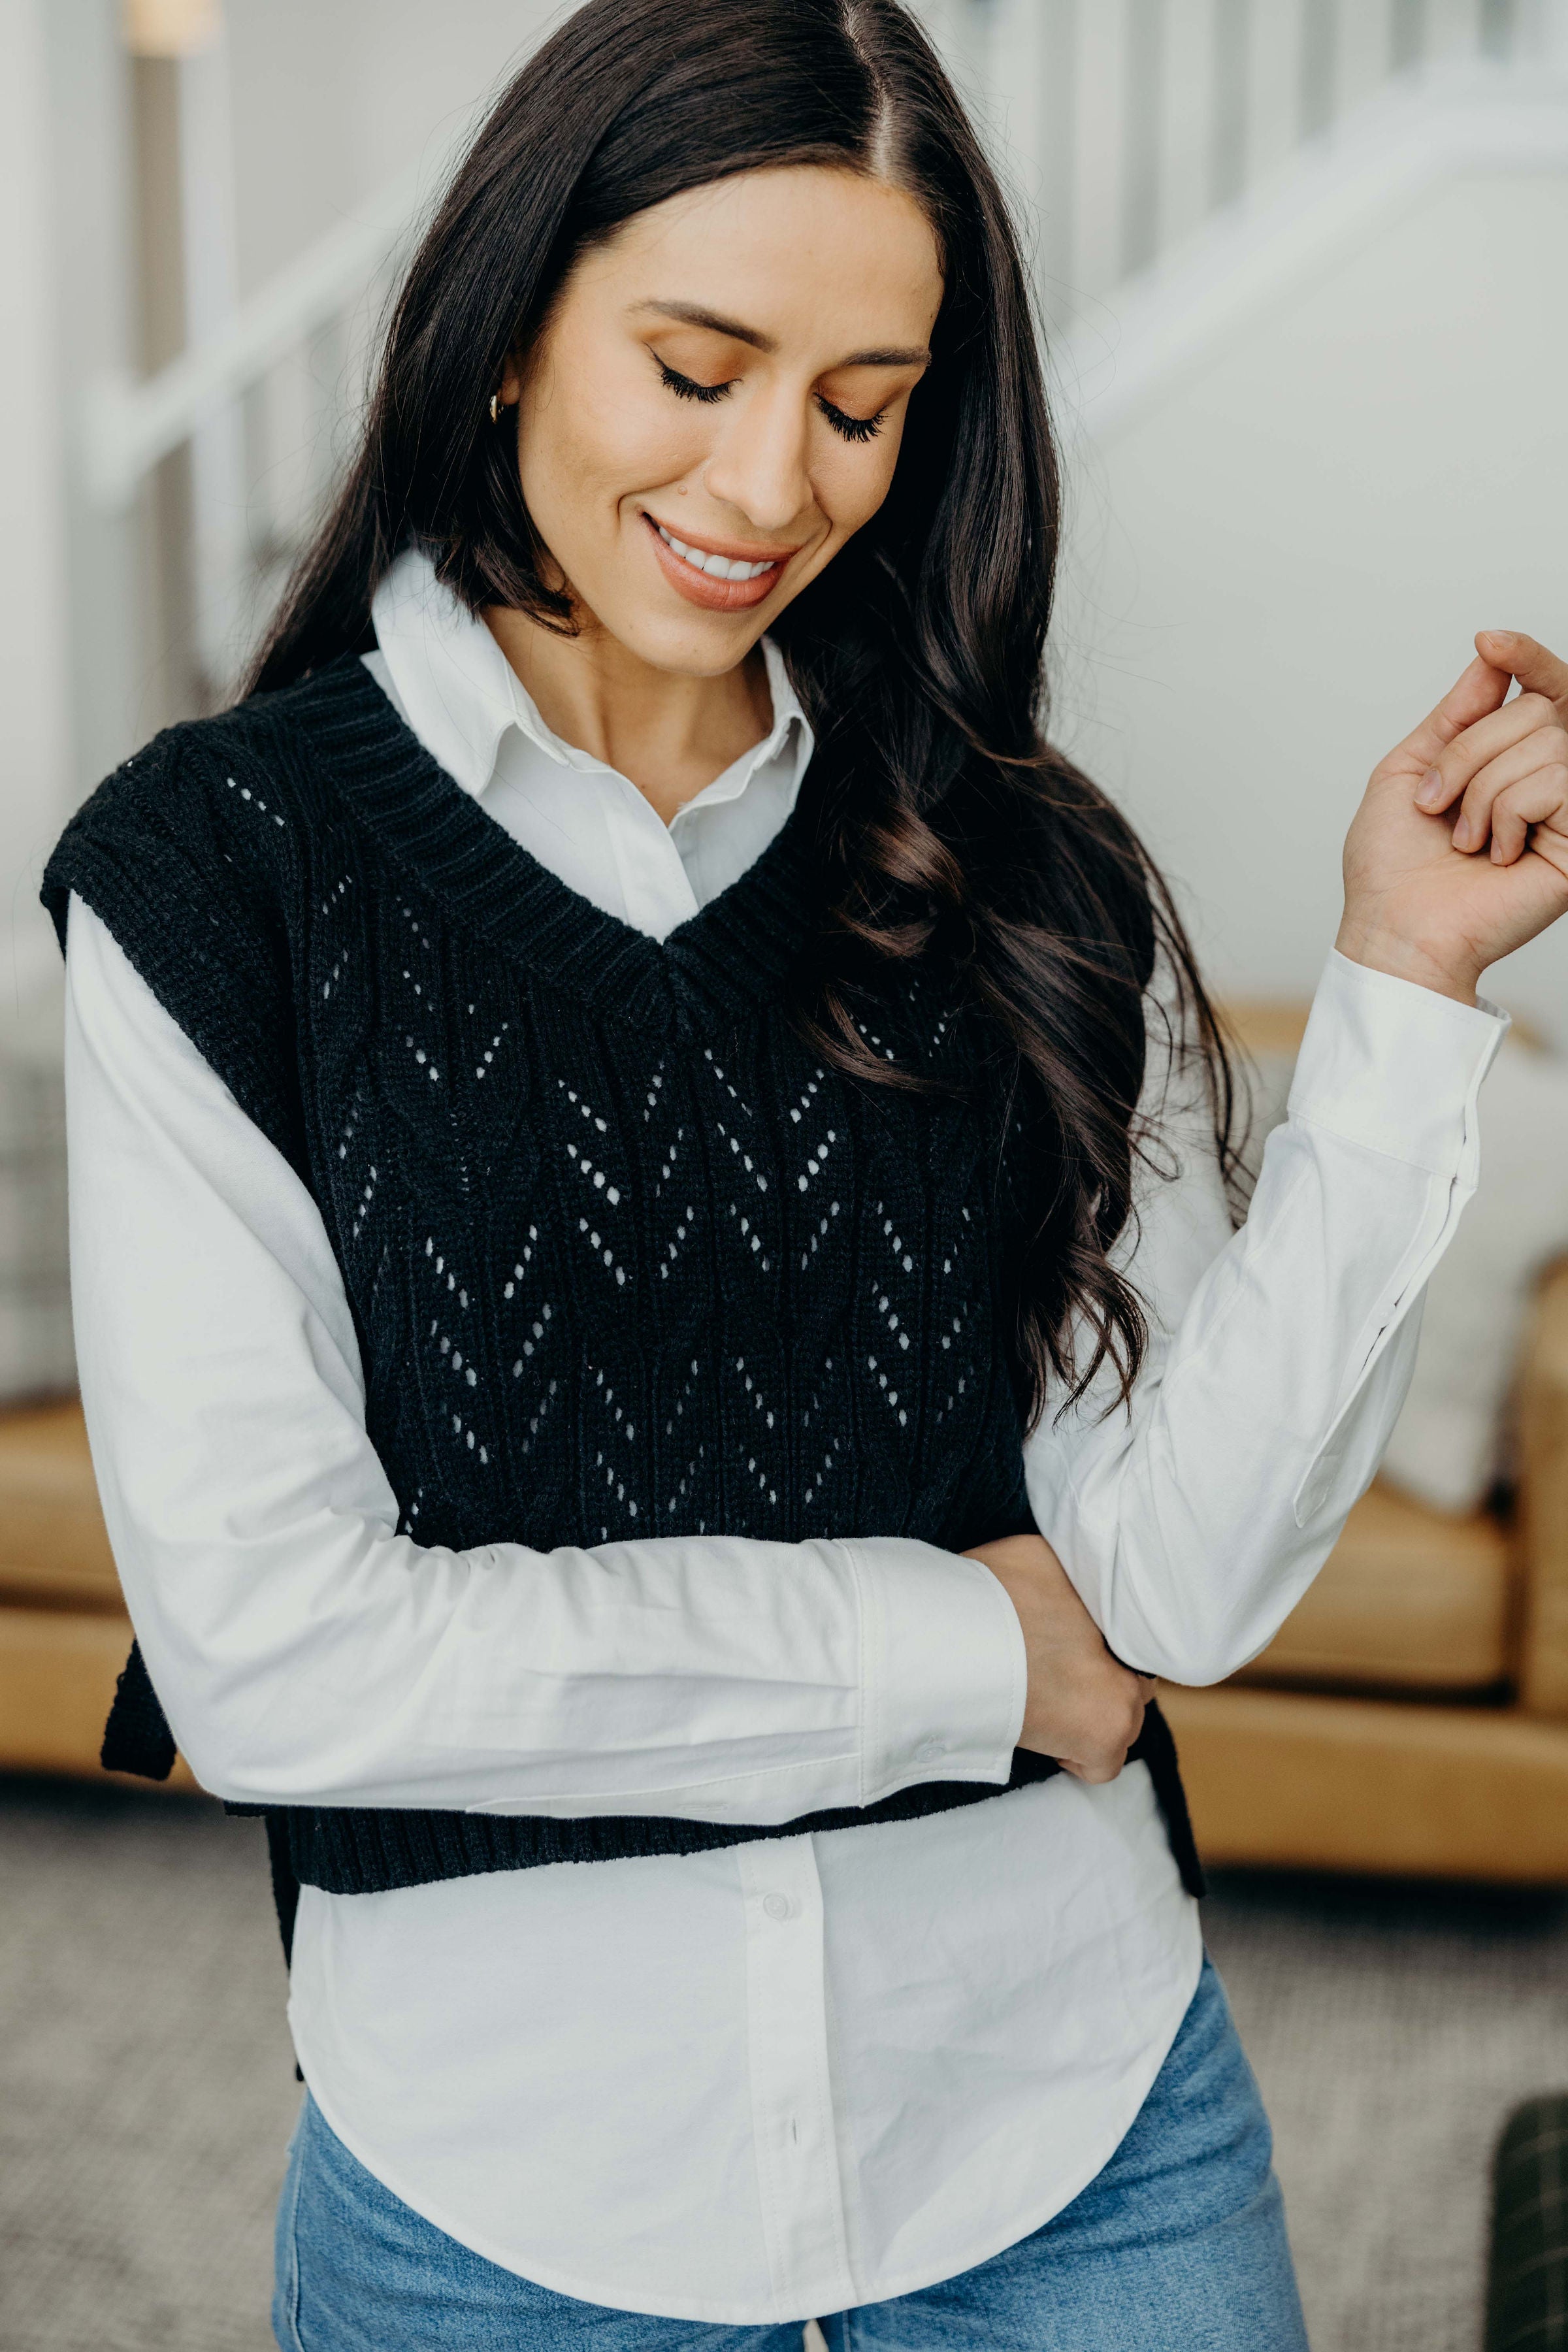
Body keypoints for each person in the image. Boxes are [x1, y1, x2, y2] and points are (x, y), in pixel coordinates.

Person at [44, 1, 1568, 2344]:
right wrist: (966, 1652)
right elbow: (278, 1660)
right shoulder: (211, 881)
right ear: (504, 338)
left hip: (1081, 2127)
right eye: (696, 365)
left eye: (863, 406)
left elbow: (1172, 1577)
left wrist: (1399, 992)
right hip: (502, 2195)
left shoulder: (1025, 868)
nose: (776, 483)